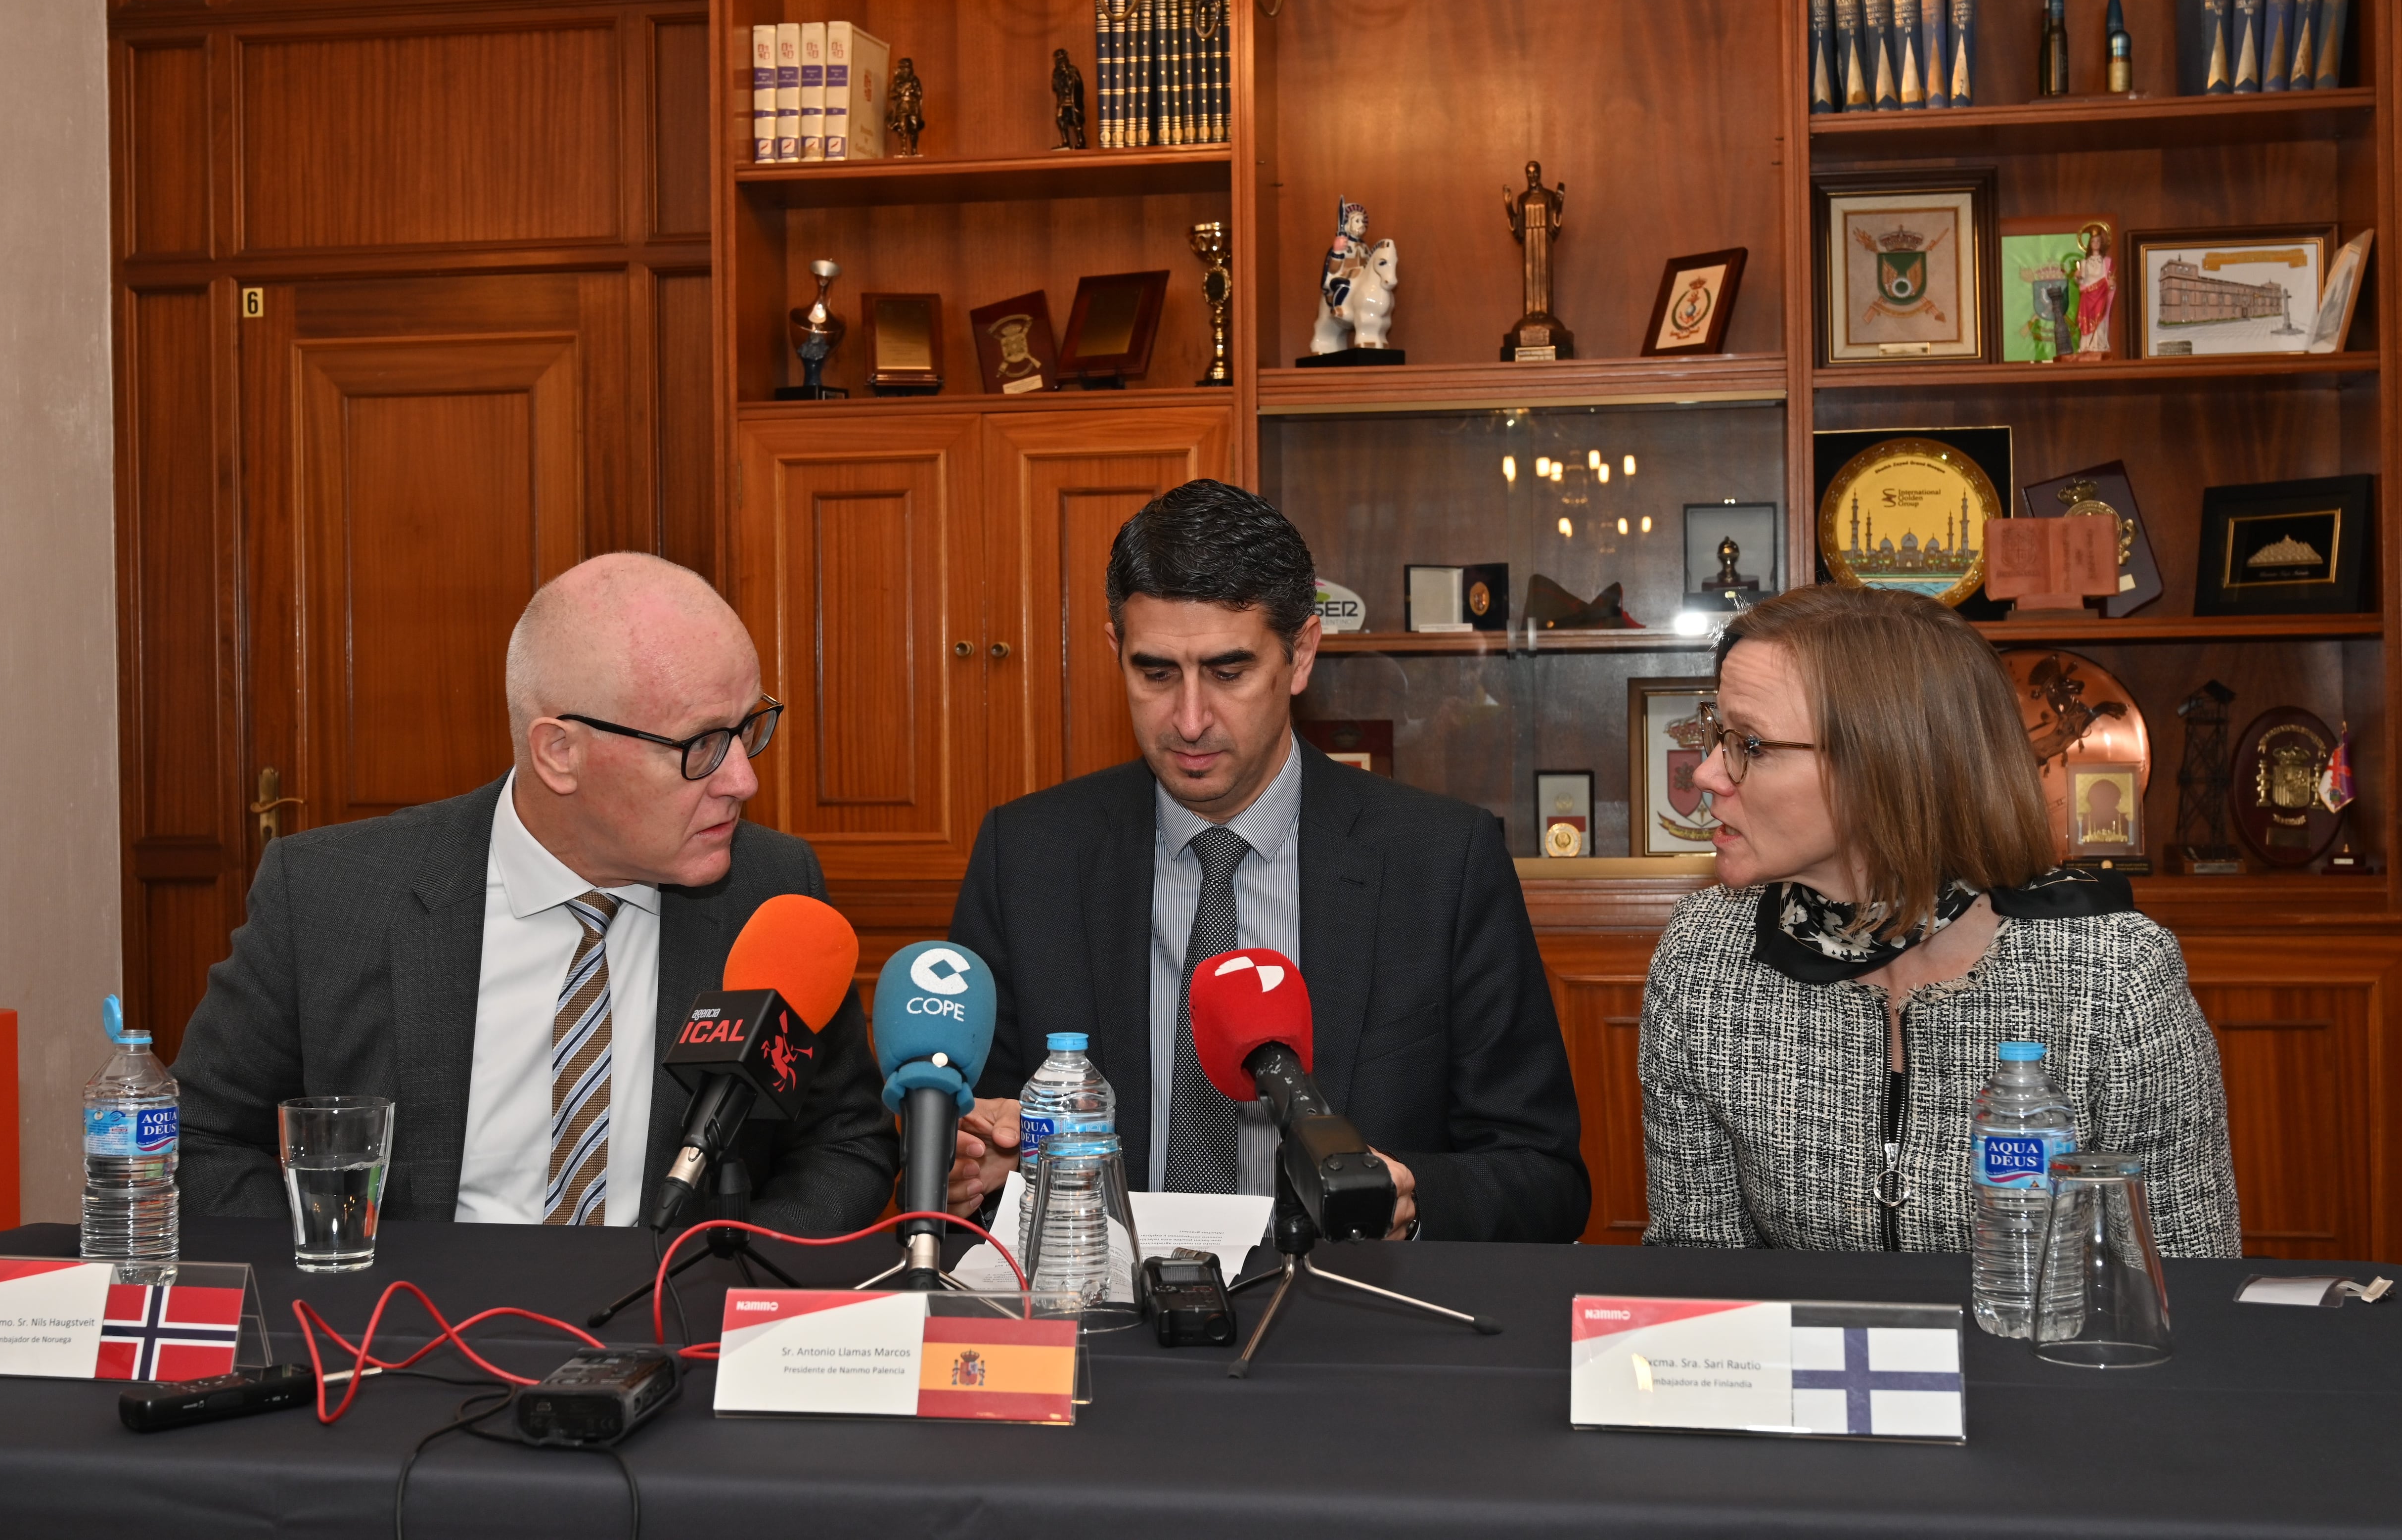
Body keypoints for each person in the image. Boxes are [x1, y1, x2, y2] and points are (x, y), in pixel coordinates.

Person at [173, 553, 897, 1232]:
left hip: (675, 1335)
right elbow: (200, 1139)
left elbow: (846, 1141)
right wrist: (340, 1272)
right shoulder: (332, 896)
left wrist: (728, 1285)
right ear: (560, 753)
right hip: (405, 1332)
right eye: (701, 744)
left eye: (747, 728)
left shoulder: (772, 897)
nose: (743, 778)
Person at [945, 480, 1589, 1242]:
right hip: (1103, 1320)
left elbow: (1543, 1175)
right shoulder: (1027, 858)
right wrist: (963, 1155)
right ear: (1115, 652)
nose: (1188, 720)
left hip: (1346, 1323)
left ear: (1302, 653)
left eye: (1228, 672)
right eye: (1155, 673)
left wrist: (1415, 1201)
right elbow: (960, 1136)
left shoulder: (1443, 864)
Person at [1639, 584, 2240, 1256]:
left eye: (1749, 742)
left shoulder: (2113, 979)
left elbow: (2185, 1286)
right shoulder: (1705, 953)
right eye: (1719, 734)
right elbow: (1697, 1267)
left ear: (1887, 766)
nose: (1706, 773)